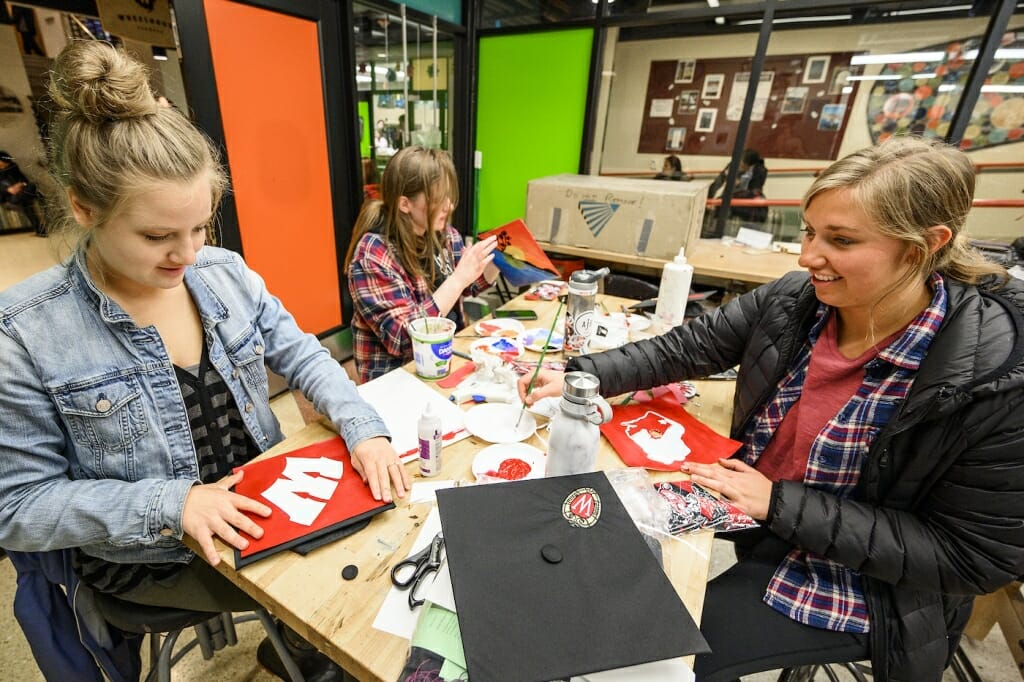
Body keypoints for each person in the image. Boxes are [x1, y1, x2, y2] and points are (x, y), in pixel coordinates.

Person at [519, 137, 1024, 681]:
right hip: (756, 507)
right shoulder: (798, 299)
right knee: (590, 544)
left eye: (841, 240)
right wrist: (583, 375)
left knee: (637, 649)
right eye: (809, 231)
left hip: (862, 582)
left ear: (925, 245)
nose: (809, 256)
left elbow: (970, 556)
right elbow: (686, 348)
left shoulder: (990, 380)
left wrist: (781, 504)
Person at [0, 41, 409, 681]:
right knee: (354, 593)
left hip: (265, 503)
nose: (188, 256)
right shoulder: (27, 331)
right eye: (158, 236)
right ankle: (306, 650)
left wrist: (361, 425)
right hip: (148, 558)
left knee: (394, 533)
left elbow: (303, 354)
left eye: (200, 227)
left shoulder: (224, 274)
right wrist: (174, 504)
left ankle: (299, 649)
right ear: (84, 208)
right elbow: (18, 506)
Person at [346, 145, 499, 383]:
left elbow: (469, 285)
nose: (448, 206)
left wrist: (503, 259)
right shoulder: (373, 255)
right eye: (438, 198)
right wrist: (458, 278)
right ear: (405, 204)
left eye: (449, 196)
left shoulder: (442, 233)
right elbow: (405, 338)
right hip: (397, 376)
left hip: (445, 358)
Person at [0, 150, 44, 235]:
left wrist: (20, 185)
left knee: (32, 186)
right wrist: (8, 190)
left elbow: (24, 180)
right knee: (31, 198)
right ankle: (40, 229)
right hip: (8, 197)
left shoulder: (13, 167)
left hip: (21, 193)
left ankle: (39, 229)